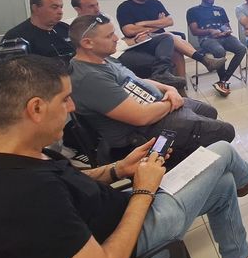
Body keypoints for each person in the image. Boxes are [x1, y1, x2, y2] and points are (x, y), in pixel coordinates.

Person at [0, 55, 248, 258]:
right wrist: (143, 191)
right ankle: (247, 178)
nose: (73, 107)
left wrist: (118, 169)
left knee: (221, 184)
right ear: (36, 108)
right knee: (221, 151)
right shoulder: (23, 197)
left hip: (115, 220)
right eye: (65, 99)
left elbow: (67, 181)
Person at [68, 15, 235, 164]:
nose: (116, 38)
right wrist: (170, 102)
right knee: (225, 131)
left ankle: (199, 157)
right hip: (140, 134)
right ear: (87, 43)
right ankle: (189, 167)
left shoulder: (103, 59)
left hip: (157, 110)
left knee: (209, 111)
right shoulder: (89, 78)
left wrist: (169, 88)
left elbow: (137, 80)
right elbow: (141, 117)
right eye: (109, 35)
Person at [71, 0, 185, 90]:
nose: (97, 9)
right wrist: (160, 24)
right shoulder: (76, 27)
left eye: (97, 4)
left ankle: (162, 75)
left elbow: (119, 39)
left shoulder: (105, 17)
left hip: (125, 47)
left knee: (166, 37)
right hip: (114, 55)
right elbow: (120, 38)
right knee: (160, 61)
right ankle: (161, 86)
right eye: (91, 6)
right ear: (78, 9)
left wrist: (135, 40)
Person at [116, 0, 224, 77]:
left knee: (175, 49)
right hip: (141, 41)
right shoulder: (125, 8)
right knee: (168, 36)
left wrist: (142, 23)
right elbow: (129, 31)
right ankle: (204, 60)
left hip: (162, 40)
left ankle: (181, 85)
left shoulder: (155, 4)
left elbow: (169, 21)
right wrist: (159, 23)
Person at [187, 0, 247, 97]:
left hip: (224, 37)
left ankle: (223, 80)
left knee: (241, 49)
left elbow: (227, 26)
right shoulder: (193, 11)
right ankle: (223, 81)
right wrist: (210, 31)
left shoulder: (220, 10)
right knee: (219, 51)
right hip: (207, 39)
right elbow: (194, 31)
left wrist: (227, 31)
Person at [3, 0, 74, 61]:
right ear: (35, 8)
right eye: (54, 7)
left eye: (61, 7)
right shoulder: (16, 36)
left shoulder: (66, 28)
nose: (60, 12)